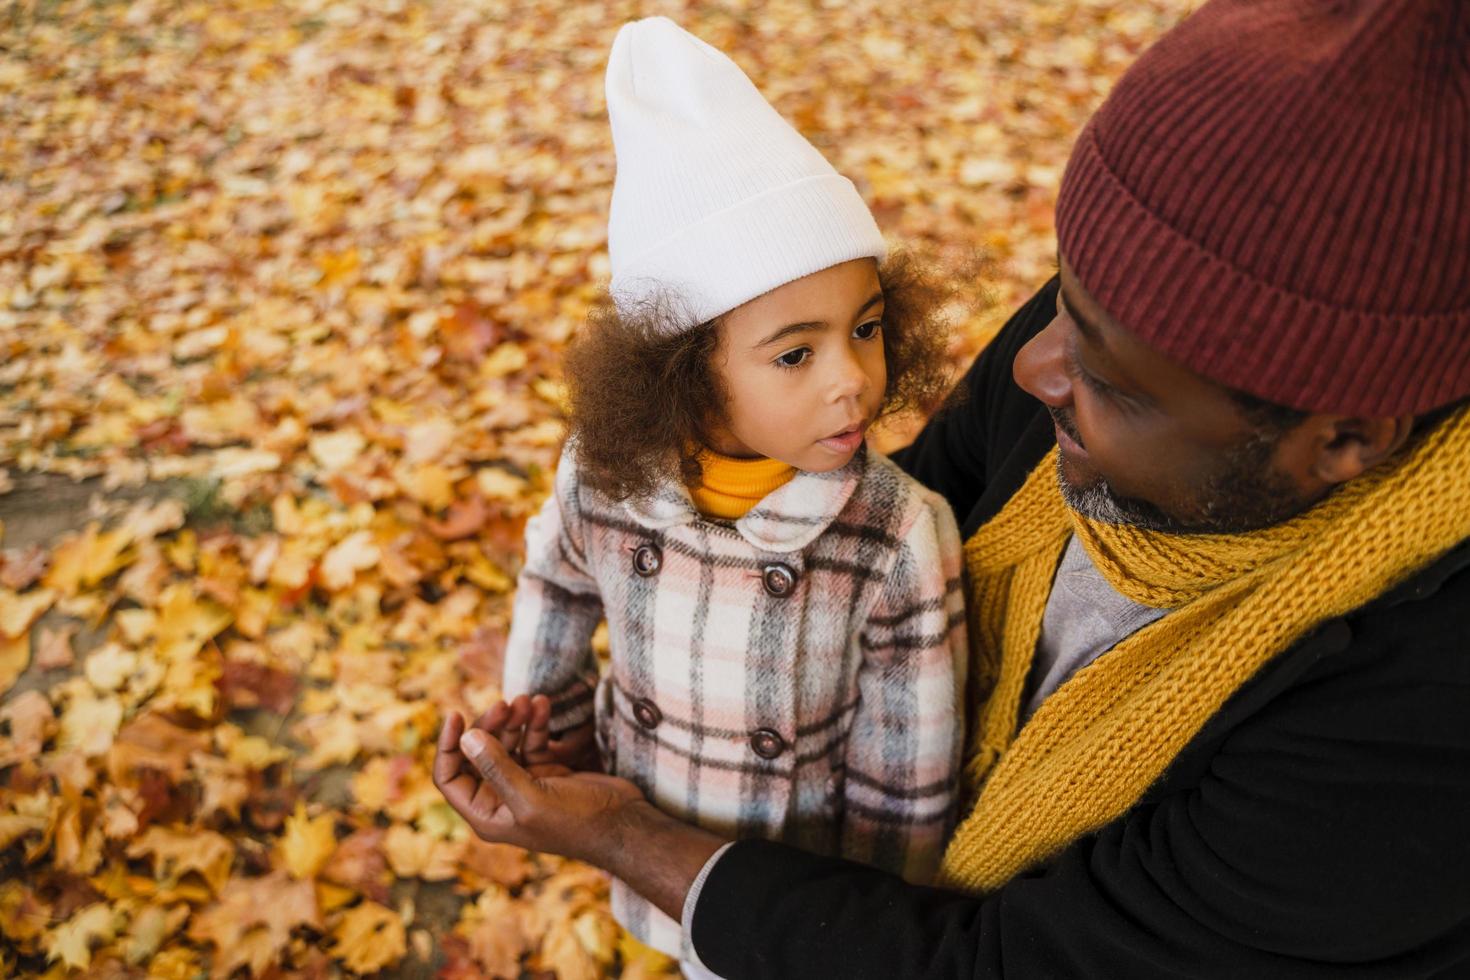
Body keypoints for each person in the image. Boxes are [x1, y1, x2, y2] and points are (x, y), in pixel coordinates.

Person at [436, 0, 1470, 975]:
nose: (1031, 366)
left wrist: (625, 832)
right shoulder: (1111, 342)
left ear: (1342, 441)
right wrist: (638, 711)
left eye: (1104, 373)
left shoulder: (1416, 733)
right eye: (1063, 297)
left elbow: (998, 964)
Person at [439, 16, 970, 969]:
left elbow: (906, 776)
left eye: (868, 327)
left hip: (795, 902)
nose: (850, 379)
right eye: (795, 353)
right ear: (684, 371)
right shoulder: (603, 482)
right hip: (639, 825)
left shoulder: (894, 537)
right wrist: (545, 733)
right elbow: (558, 586)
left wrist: (871, 926)